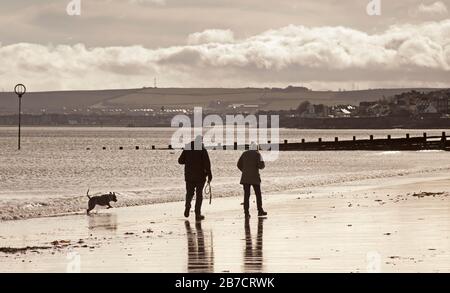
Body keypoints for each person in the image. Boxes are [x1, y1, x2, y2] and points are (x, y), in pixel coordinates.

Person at [178, 136, 212, 221]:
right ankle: (197, 214)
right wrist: (209, 174)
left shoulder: (187, 149)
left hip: (189, 176)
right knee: (199, 195)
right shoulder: (202, 150)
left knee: (189, 193)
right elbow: (207, 163)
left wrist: (189, 160)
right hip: (200, 176)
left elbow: (180, 161)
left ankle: (187, 206)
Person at [237, 142, 267, 218]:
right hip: (255, 178)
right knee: (258, 194)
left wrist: (244, 171)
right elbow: (261, 166)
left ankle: (246, 213)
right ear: (256, 148)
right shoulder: (257, 154)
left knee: (246, 195)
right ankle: (260, 210)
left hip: (245, 178)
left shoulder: (244, 154)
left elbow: (238, 165)